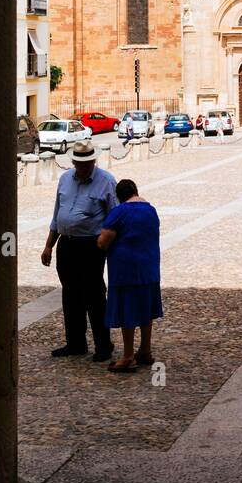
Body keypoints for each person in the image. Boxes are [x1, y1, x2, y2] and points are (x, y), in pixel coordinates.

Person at [41, 140, 117, 361]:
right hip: (67, 243)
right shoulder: (65, 179)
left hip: (91, 245)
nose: (83, 167)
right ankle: (75, 343)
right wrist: (49, 245)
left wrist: (108, 247)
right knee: (70, 294)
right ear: (73, 161)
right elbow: (57, 215)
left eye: (87, 163)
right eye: (79, 163)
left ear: (93, 161)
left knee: (94, 295)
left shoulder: (106, 182)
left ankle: (104, 344)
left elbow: (114, 219)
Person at [97, 179, 162, 374]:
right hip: (149, 267)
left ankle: (127, 357)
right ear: (136, 190)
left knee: (128, 311)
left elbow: (103, 241)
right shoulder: (151, 210)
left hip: (126, 270)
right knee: (146, 309)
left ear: (119, 196)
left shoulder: (120, 211)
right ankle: (145, 350)